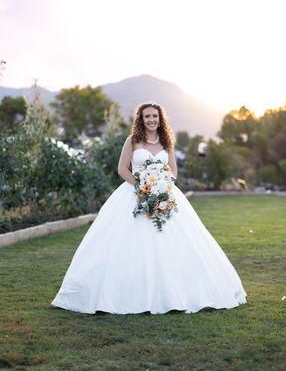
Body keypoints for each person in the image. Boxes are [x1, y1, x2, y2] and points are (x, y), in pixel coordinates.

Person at [51, 102, 247, 314]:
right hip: (134, 195)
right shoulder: (133, 141)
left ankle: (173, 295)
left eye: (155, 116)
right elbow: (121, 169)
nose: (152, 120)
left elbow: (173, 173)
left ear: (160, 119)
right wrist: (141, 186)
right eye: (147, 116)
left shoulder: (166, 142)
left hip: (164, 195)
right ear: (141, 120)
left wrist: (159, 185)